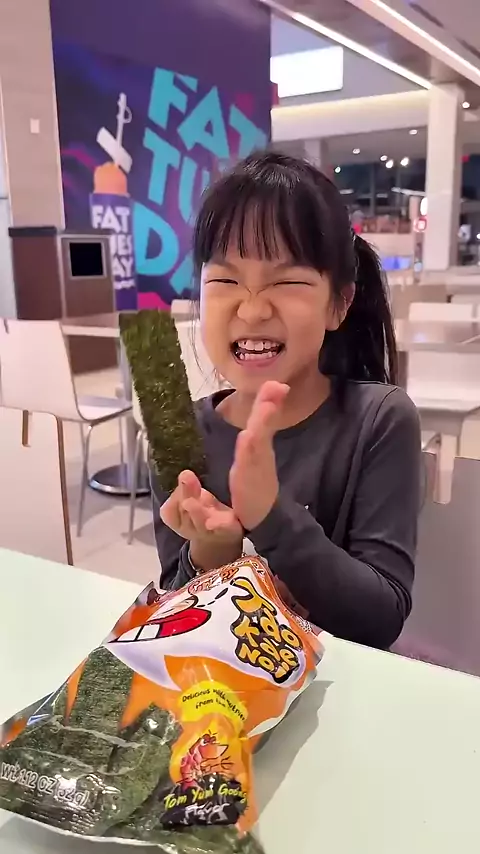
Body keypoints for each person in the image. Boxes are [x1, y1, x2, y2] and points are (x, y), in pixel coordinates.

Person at [152, 151, 422, 650]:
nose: (253, 309)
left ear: (338, 304)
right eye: (225, 280)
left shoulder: (380, 419)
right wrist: (212, 551)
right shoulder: (178, 433)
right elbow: (173, 610)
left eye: (288, 281)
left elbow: (382, 620)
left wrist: (271, 517)